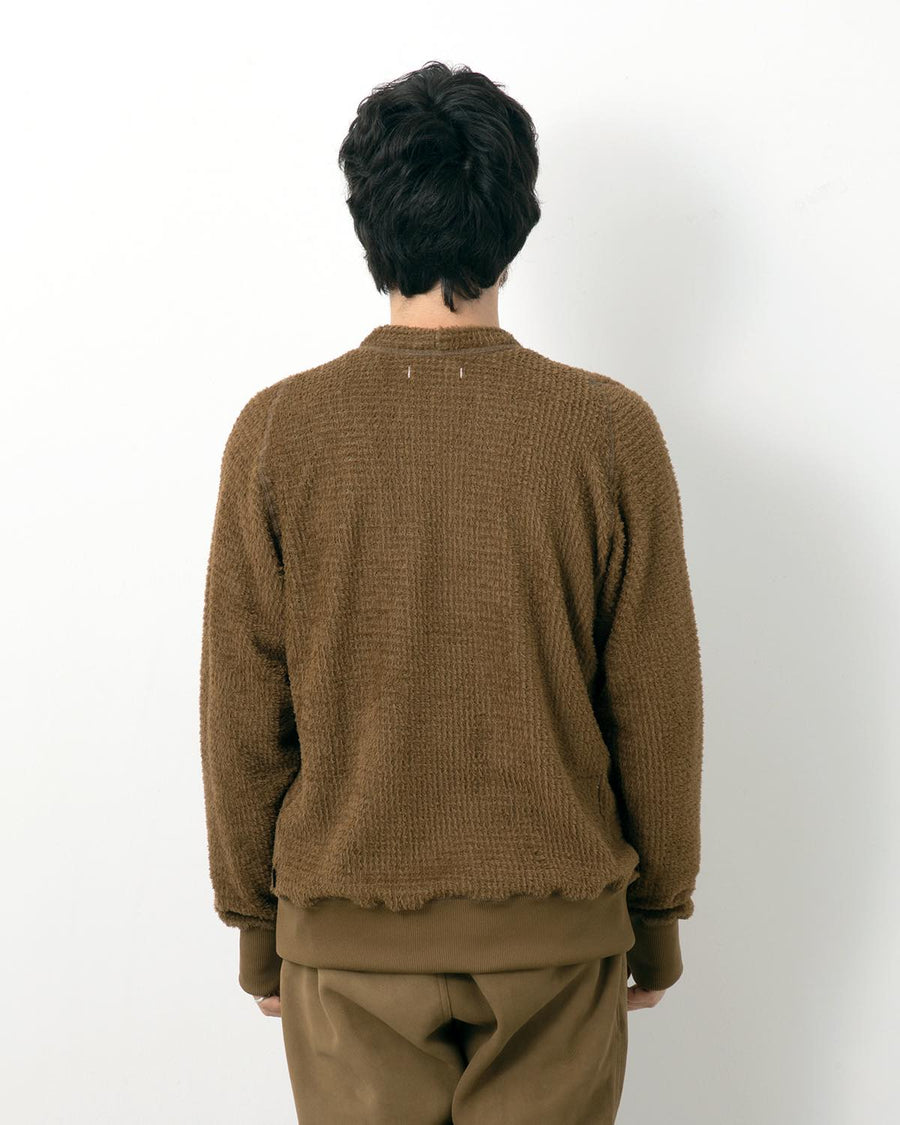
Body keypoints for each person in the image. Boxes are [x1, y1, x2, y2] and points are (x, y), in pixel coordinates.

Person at [199, 59, 703, 1124]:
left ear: (367, 223)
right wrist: (656, 919)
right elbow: (657, 704)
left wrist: (259, 931)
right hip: (558, 939)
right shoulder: (609, 431)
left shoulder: (280, 432)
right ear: (516, 222)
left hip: (346, 944)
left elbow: (243, 709)